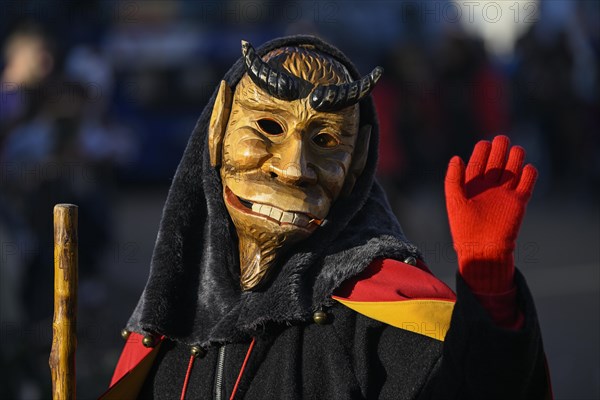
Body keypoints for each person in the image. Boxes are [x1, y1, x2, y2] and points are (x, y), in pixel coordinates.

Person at [101, 36, 551, 399]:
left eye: (327, 139)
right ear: (218, 128)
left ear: (356, 164)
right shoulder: (168, 328)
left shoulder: (377, 317)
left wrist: (487, 279)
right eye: (268, 127)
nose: (295, 167)